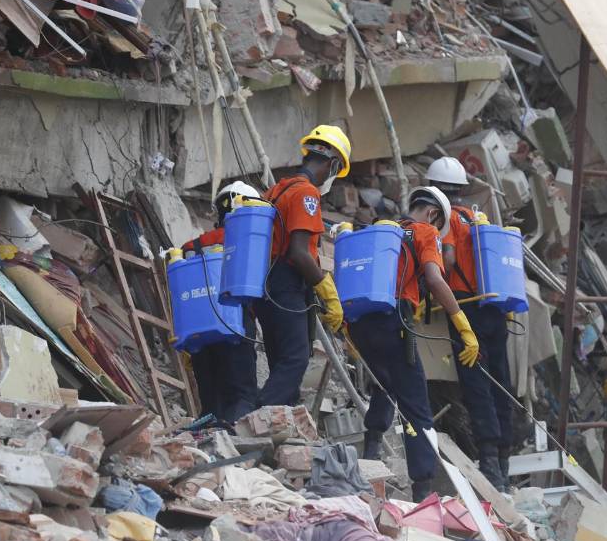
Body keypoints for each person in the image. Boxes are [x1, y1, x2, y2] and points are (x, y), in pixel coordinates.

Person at [353, 186, 480, 502]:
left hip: (362, 322)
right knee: (417, 405)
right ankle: (423, 489)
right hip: (395, 320)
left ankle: (370, 450)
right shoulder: (426, 232)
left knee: (386, 384)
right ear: (434, 214)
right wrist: (462, 324)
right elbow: (436, 279)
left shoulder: (386, 232)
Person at [426, 157, 514, 490]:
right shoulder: (479, 218)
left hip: (465, 309)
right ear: (462, 189)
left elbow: (446, 259)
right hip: (493, 306)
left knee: (476, 383)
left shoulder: (446, 219)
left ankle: (489, 461)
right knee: (501, 382)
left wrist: (430, 284)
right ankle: (503, 459)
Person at [250, 125, 349, 411]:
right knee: (295, 359)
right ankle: (255, 419)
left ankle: (284, 427)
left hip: (264, 285)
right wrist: (327, 290)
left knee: (281, 360)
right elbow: (299, 252)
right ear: (332, 165)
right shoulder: (307, 194)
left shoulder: (276, 190)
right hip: (286, 283)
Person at [181, 180, 263, 422]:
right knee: (242, 397)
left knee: (210, 402)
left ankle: (211, 445)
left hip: (199, 331)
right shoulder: (249, 243)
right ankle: (237, 447)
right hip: (235, 325)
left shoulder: (191, 247)